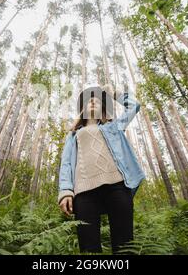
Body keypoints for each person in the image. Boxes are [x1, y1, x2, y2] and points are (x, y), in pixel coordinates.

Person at [57, 84, 146, 254]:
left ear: (104, 110)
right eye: (89, 101)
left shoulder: (114, 127)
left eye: (97, 101)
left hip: (118, 187)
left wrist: (114, 93)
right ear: (82, 110)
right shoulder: (74, 134)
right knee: (89, 248)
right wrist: (65, 190)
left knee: (124, 245)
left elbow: (134, 106)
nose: (92, 101)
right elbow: (66, 163)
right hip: (84, 192)